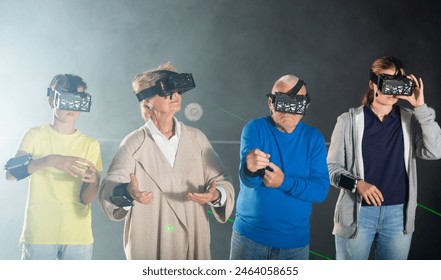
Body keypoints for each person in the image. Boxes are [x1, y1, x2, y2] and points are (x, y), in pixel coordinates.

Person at [98, 62, 235, 260]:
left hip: (193, 240)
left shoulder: (197, 139)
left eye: (178, 91)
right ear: (148, 101)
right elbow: (108, 187)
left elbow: (222, 180)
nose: (176, 96)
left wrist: (215, 195)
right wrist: (127, 192)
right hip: (151, 241)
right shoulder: (134, 143)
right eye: (166, 93)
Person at [327, 56, 441, 260]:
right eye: (388, 82)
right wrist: (357, 184)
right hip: (357, 214)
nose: (393, 90)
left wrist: (421, 108)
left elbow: (435, 151)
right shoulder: (348, 121)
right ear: (373, 84)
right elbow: (331, 170)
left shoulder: (411, 120)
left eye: (399, 83)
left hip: (398, 216)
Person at [230, 74, 330, 260]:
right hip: (250, 237)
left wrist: (284, 182)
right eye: (283, 101)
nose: (289, 110)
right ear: (271, 102)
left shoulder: (314, 138)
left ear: (305, 106)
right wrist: (249, 168)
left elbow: (320, 191)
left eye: (297, 102)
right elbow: (249, 181)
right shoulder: (254, 128)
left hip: (294, 244)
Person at [4, 74, 102, 260]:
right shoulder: (35, 135)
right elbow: (11, 174)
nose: (71, 105)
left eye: (78, 98)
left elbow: (86, 198)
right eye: (66, 97)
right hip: (40, 232)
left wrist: (95, 182)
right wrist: (50, 160)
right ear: (52, 100)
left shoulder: (91, 144)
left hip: (77, 234)